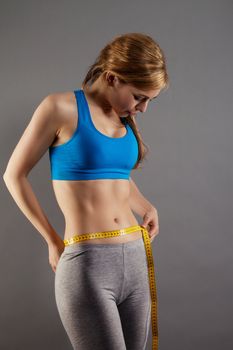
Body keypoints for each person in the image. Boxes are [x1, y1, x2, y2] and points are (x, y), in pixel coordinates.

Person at [3, 32, 169, 350]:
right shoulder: (60, 107)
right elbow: (14, 175)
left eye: (149, 100)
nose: (143, 108)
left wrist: (146, 206)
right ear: (111, 77)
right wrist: (52, 240)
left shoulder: (122, 119)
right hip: (88, 264)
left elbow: (114, 178)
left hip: (136, 258)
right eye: (139, 97)